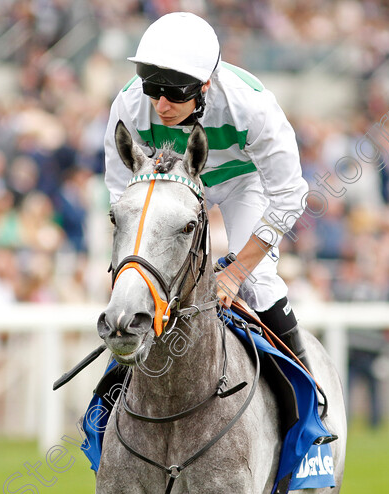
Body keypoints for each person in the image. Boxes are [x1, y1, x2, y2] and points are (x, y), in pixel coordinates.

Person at [103, 12, 311, 368]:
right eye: (152, 89)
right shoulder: (129, 103)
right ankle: (107, 406)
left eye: (173, 93)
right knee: (138, 284)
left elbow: (291, 195)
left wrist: (234, 273)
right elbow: (122, 195)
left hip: (243, 183)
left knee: (257, 282)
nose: (161, 105)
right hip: (171, 182)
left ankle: (307, 399)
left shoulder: (252, 106)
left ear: (205, 85)